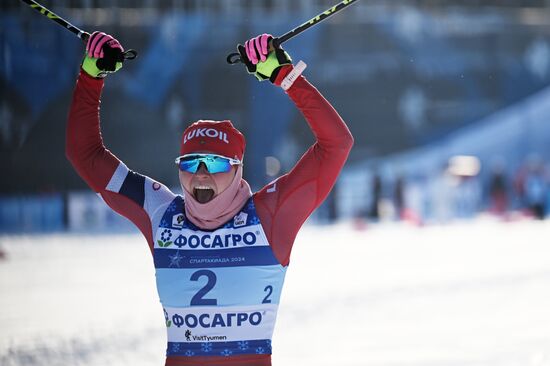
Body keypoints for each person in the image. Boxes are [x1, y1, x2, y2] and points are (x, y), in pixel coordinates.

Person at [66, 31, 353, 366]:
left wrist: (285, 76)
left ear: (236, 170)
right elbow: (83, 154)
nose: (200, 173)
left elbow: (337, 144)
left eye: (214, 163)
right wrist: (90, 76)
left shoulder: (270, 215)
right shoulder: (160, 212)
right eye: (190, 163)